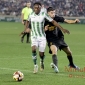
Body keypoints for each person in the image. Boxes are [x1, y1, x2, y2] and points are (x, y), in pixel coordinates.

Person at [23, 2, 70, 74]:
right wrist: (25, 29)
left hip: (42, 37)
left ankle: (42, 61)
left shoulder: (43, 15)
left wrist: (62, 29)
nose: (36, 9)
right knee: (33, 49)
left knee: (41, 54)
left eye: (38, 7)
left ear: (40, 8)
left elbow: (53, 22)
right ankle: (35, 65)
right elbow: (27, 21)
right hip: (34, 36)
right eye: (35, 7)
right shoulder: (31, 14)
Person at [44, 7, 80, 73]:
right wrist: (44, 29)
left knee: (69, 52)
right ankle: (56, 67)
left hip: (59, 38)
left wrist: (74, 21)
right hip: (51, 39)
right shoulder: (44, 20)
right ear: (47, 13)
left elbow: (66, 21)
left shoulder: (56, 18)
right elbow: (39, 30)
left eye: (54, 12)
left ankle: (71, 64)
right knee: (54, 51)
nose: (53, 14)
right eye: (51, 13)